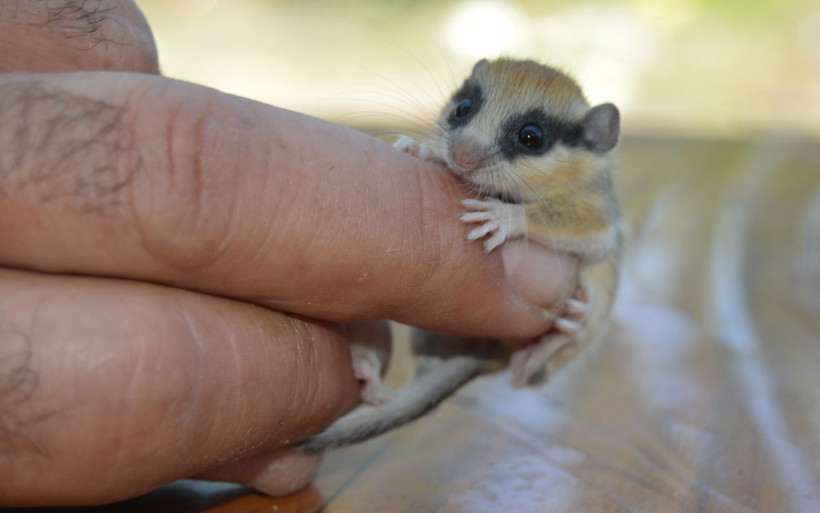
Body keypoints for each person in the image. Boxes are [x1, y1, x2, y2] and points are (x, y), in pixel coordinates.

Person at [0, 0, 574, 506]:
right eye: (464, 116)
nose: (468, 152)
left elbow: (584, 230)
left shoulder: (573, 201)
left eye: (523, 140)